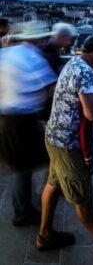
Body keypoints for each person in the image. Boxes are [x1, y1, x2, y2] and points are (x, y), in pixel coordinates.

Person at [36, 35, 93, 250]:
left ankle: (44, 235)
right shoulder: (87, 72)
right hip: (69, 145)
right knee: (84, 204)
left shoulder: (73, 62)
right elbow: (92, 114)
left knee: (53, 185)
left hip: (53, 136)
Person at [0, 21, 58, 227]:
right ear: (36, 39)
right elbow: (51, 89)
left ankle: (24, 208)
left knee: (21, 167)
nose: (45, 41)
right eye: (43, 38)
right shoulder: (32, 57)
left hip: (7, 118)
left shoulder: (8, 53)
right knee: (36, 163)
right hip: (22, 121)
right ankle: (27, 212)